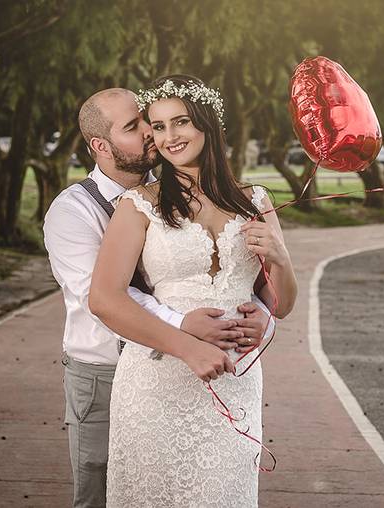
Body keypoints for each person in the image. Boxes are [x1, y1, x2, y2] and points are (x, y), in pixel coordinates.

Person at [43, 87, 274, 508]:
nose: (152, 134)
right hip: (106, 371)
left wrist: (260, 314)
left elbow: (233, 276)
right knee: (103, 494)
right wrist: (184, 326)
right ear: (101, 146)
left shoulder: (180, 190)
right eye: (135, 127)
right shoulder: (72, 211)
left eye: (148, 121)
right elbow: (104, 299)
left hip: (203, 369)